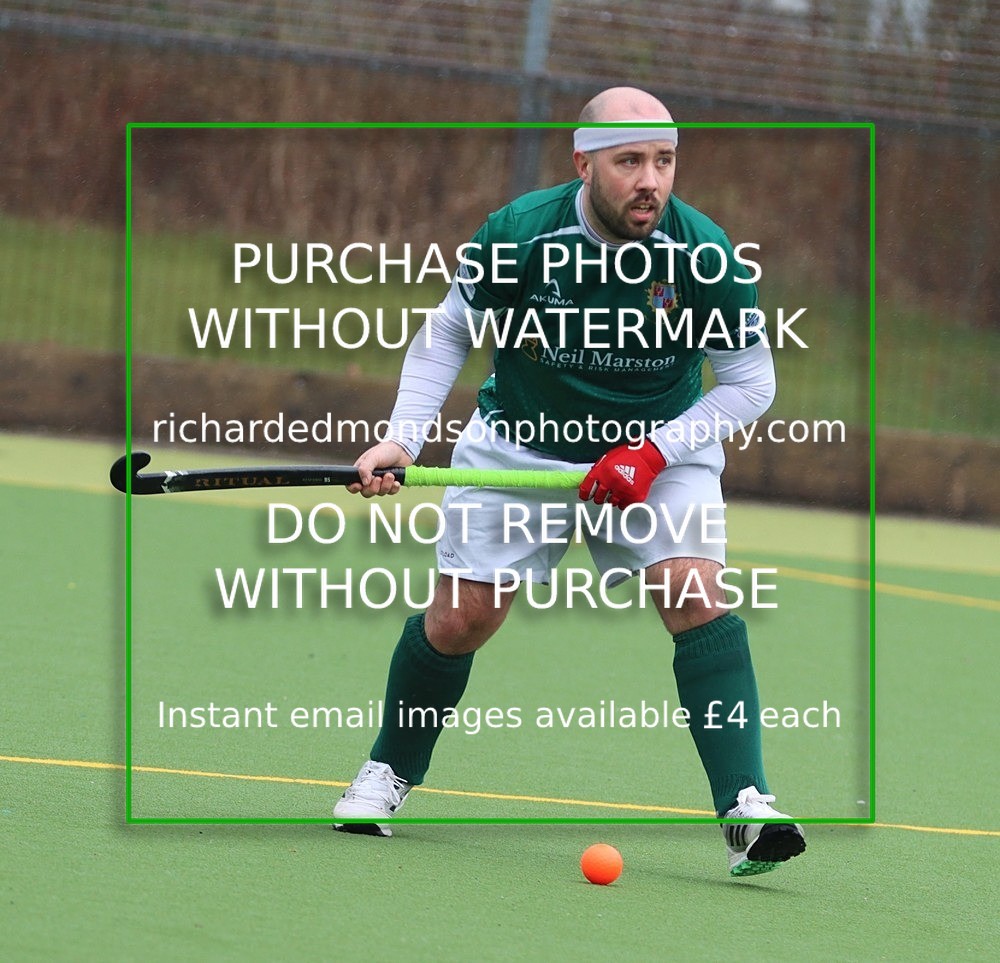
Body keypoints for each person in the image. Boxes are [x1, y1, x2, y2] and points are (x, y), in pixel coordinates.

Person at [334, 86, 805, 877]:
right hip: (521, 441)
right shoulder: (520, 233)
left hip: (659, 448)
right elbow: (448, 330)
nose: (650, 180)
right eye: (629, 162)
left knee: (695, 590)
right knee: (460, 620)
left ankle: (748, 807)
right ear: (583, 161)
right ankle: (386, 771)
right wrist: (401, 438)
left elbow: (751, 384)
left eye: (663, 161)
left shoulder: (705, 254)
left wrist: (651, 455)